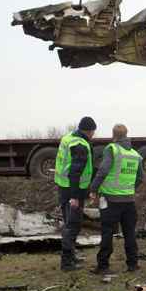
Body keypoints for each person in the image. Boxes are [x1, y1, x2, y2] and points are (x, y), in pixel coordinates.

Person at [90, 124, 143, 274]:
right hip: (129, 201)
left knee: (107, 232)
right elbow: (140, 177)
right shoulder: (135, 154)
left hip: (111, 200)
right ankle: (133, 264)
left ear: (113, 135)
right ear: (126, 135)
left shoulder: (111, 149)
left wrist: (93, 188)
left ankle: (103, 266)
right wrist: (129, 189)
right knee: (130, 233)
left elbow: (103, 170)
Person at [54, 116, 97, 271]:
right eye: (93, 132)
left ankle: (71, 257)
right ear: (90, 131)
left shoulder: (68, 138)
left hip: (64, 186)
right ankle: (66, 263)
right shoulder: (80, 145)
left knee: (69, 224)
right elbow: (75, 171)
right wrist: (75, 196)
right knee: (73, 226)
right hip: (72, 190)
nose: (93, 135)